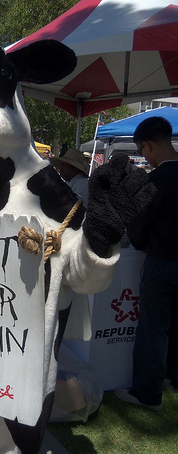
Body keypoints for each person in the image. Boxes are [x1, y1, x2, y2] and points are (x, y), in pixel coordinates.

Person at [115, 116, 178, 411]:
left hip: (162, 263)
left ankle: (147, 393)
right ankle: (174, 377)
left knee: (153, 327)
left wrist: (139, 241)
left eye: (142, 151)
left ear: (148, 146)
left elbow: (137, 228)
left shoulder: (155, 181)